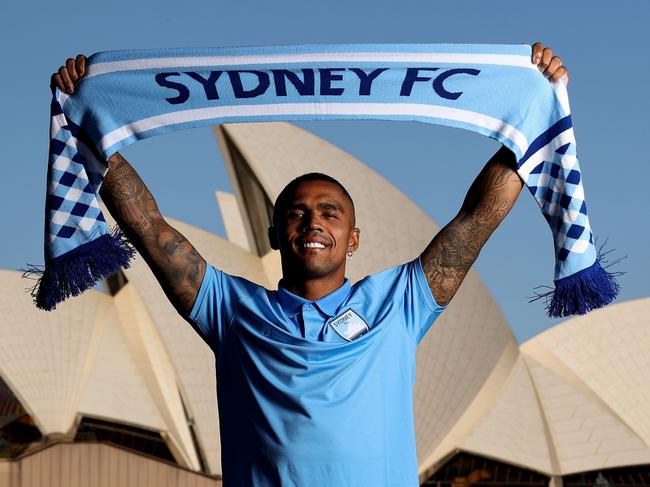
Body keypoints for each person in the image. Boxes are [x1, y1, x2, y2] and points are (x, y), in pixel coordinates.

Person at [52, 43, 568, 486]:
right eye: (296, 213)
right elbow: (150, 229)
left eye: (330, 213)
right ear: (275, 235)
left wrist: (530, 115)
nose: (313, 223)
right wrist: (93, 127)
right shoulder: (232, 310)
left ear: (354, 236)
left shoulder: (399, 302)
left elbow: (475, 221)